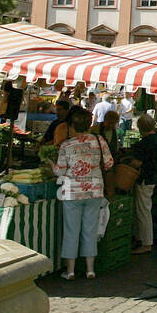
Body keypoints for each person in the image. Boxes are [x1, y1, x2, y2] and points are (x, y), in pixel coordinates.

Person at [54, 108, 113, 280]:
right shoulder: (99, 140)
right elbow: (109, 163)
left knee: (71, 230)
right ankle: (90, 269)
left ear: (72, 125)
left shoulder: (66, 145)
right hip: (95, 191)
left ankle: (70, 271)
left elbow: (60, 171)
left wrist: (52, 166)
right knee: (90, 229)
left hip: (72, 192)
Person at [131, 115, 157, 254]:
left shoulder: (144, 143)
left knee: (143, 210)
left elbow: (137, 162)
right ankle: (142, 238)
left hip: (145, 178)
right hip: (154, 176)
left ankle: (146, 242)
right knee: (145, 208)